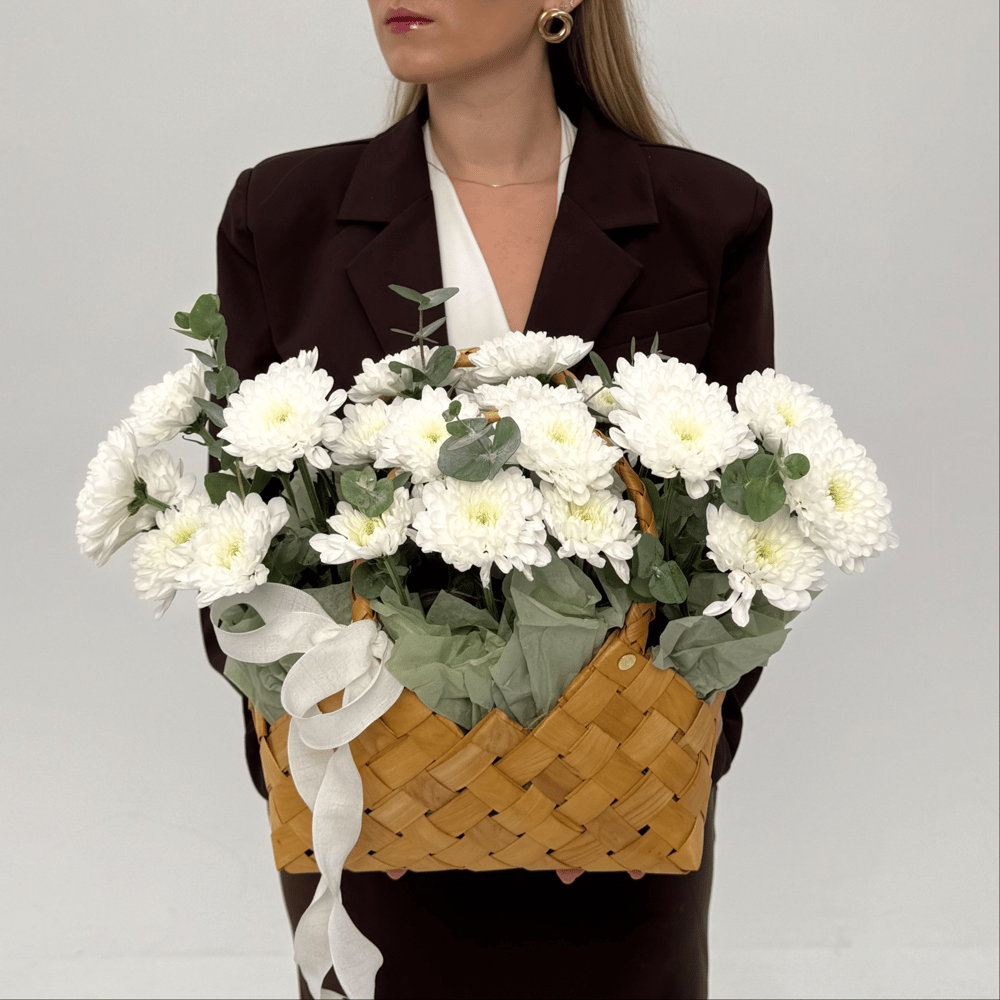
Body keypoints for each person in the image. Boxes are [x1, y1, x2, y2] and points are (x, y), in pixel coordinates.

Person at [200, 1, 774, 996]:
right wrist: (312, 752)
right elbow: (236, 528)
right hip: (369, 784)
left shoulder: (705, 212)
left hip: (616, 798)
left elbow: (747, 531)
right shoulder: (283, 212)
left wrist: (660, 756)